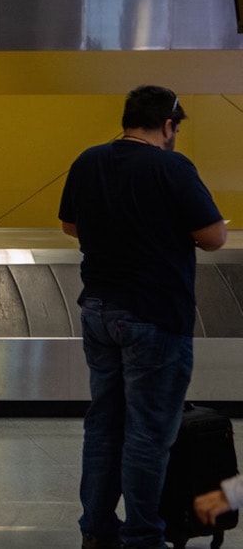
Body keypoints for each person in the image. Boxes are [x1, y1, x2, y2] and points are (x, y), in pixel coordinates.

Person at [58, 85, 227, 549]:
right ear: (168, 126)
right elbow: (213, 237)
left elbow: (71, 225)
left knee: (104, 424)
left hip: (98, 310)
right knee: (148, 432)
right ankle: (142, 535)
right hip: (154, 315)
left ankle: (95, 528)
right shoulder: (172, 167)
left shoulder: (88, 160)